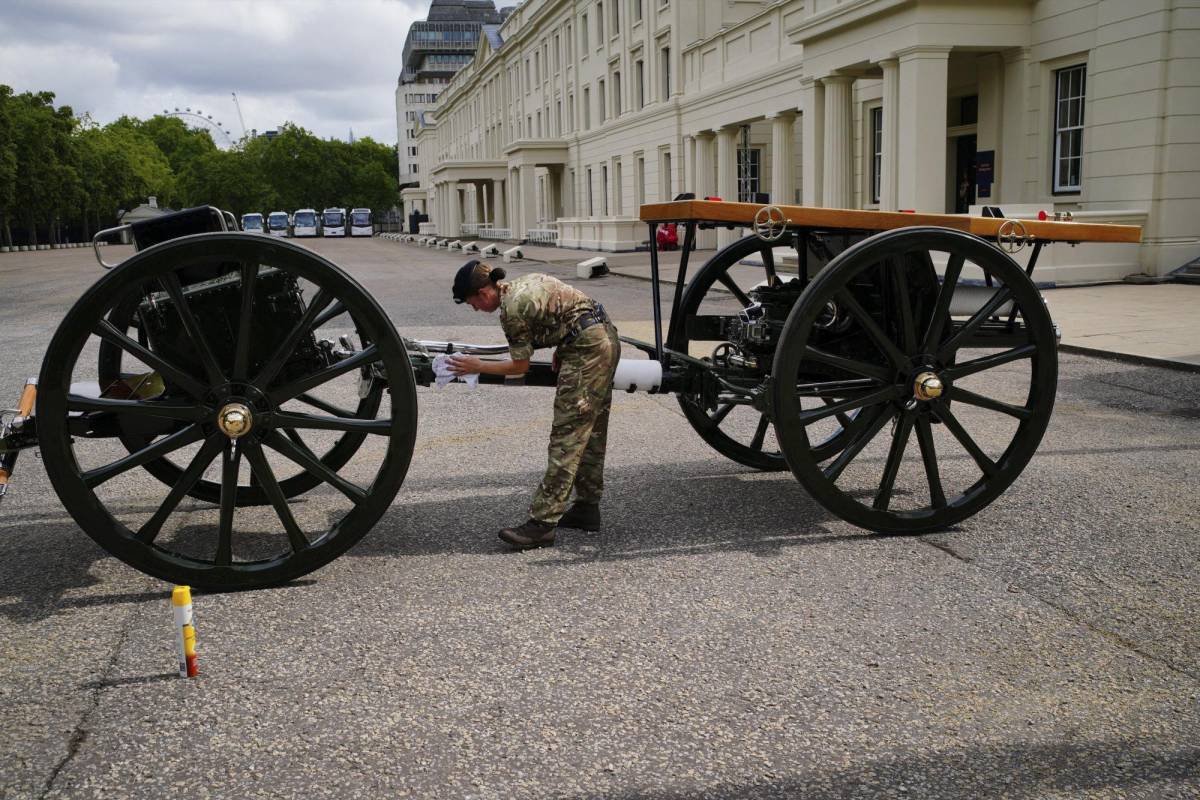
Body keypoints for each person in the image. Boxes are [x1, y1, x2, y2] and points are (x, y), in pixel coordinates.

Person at [448, 260, 620, 550]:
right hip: (602, 337)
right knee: (590, 433)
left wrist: (477, 366)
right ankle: (587, 508)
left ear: (483, 292)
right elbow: (567, 311)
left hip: (587, 350)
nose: (475, 308)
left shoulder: (511, 310)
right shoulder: (522, 284)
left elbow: (519, 367)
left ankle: (542, 525)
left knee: (567, 438)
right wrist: (564, 346)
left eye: (472, 302)